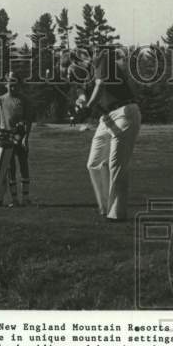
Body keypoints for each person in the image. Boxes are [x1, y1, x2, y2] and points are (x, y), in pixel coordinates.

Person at [71, 48, 141, 222]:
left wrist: (87, 108)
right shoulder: (89, 75)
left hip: (125, 112)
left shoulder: (103, 57)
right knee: (94, 163)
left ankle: (116, 214)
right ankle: (105, 207)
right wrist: (80, 101)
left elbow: (100, 85)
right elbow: (82, 92)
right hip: (107, 117)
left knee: (116, 165)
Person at [0, 72, 33, 208]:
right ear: (6, 84)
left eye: (15, 85)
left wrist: (26, 138)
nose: (13, 88)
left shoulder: (24, 100)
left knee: (23, 166)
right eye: (10, 85)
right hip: (6, 136)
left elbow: (28, 120)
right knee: (10, 167)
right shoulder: (0, 99)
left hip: (20, 135)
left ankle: (26, 198)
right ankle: (14, 199)